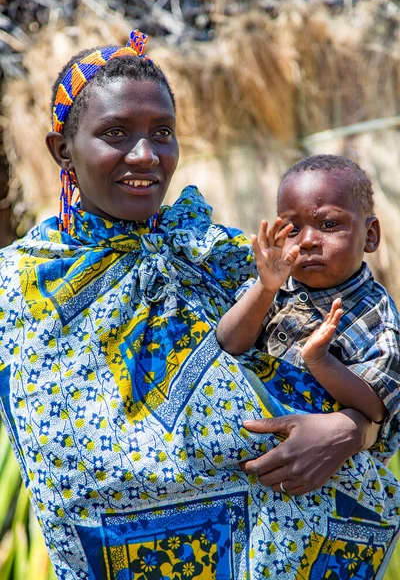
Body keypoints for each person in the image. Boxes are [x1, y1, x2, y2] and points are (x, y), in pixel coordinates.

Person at [0, 32, 398, 580]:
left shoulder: (220, 254)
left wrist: (350, 429)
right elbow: (73, 465)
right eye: (115, 133)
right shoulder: (22, 288)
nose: (145, 155)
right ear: (61, 149)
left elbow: (364, 360)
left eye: (162, 133)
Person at [216, 155, 399, 429]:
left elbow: (375, 406)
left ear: (370, 235)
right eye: (294, 228)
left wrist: (320, 361)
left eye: (328, 225)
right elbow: (228, 343)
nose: (308, 241)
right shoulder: (274, 286)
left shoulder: (375, 315)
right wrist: (265, 289)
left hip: (319, 456)